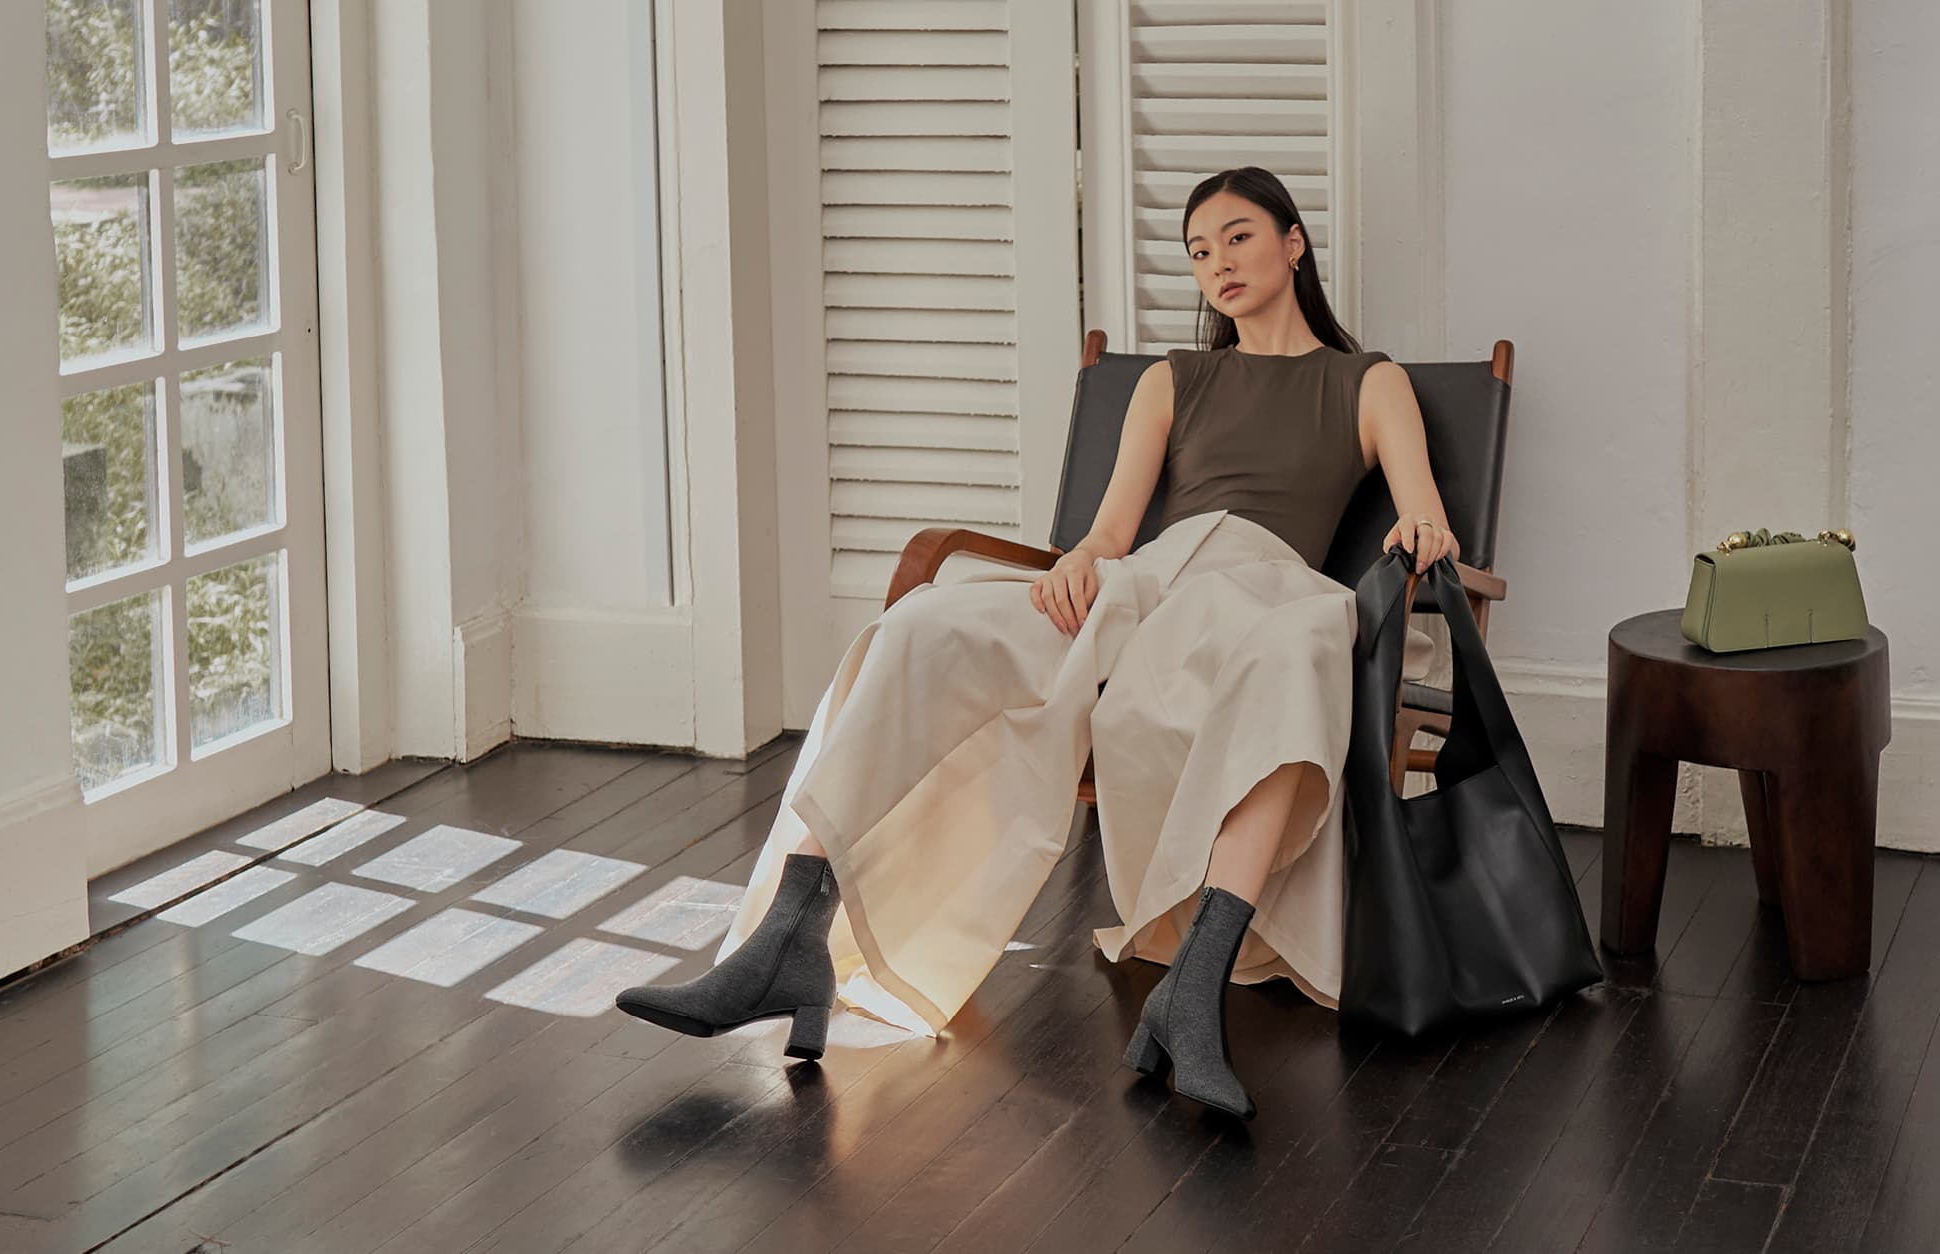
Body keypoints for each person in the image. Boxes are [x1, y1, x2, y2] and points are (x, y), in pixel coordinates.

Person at [615, 167, 1461, 1120]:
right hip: (1150, 586)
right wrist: (1081, 563)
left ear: (1293, 242)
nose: (1217, 264)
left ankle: (1192, 990)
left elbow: (1424, 515)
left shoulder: (1368, 381)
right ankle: (788, 939)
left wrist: (1421, 533)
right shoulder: (1171, 380)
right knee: (923, 624)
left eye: (1238, 237)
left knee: (1308, 642)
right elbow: (1110, 534)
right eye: (1198, 251)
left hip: (1268, 594)